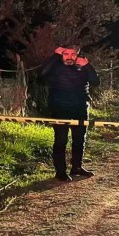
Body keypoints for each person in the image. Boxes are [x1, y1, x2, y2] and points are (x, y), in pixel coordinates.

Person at [41, 45, 100, 181]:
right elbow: (42, 74)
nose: (69, 57)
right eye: (66, 54)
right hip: (60, 108)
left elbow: (96, 82)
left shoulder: (83, 66)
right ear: (61, 55)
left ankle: (77, 167)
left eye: (73, 54)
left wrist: (88, 66)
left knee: (79, 139)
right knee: (61, 140)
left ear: (77, 55)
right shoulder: (55, 65)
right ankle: (60, 172)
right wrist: (55, 56)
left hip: (80, 108)